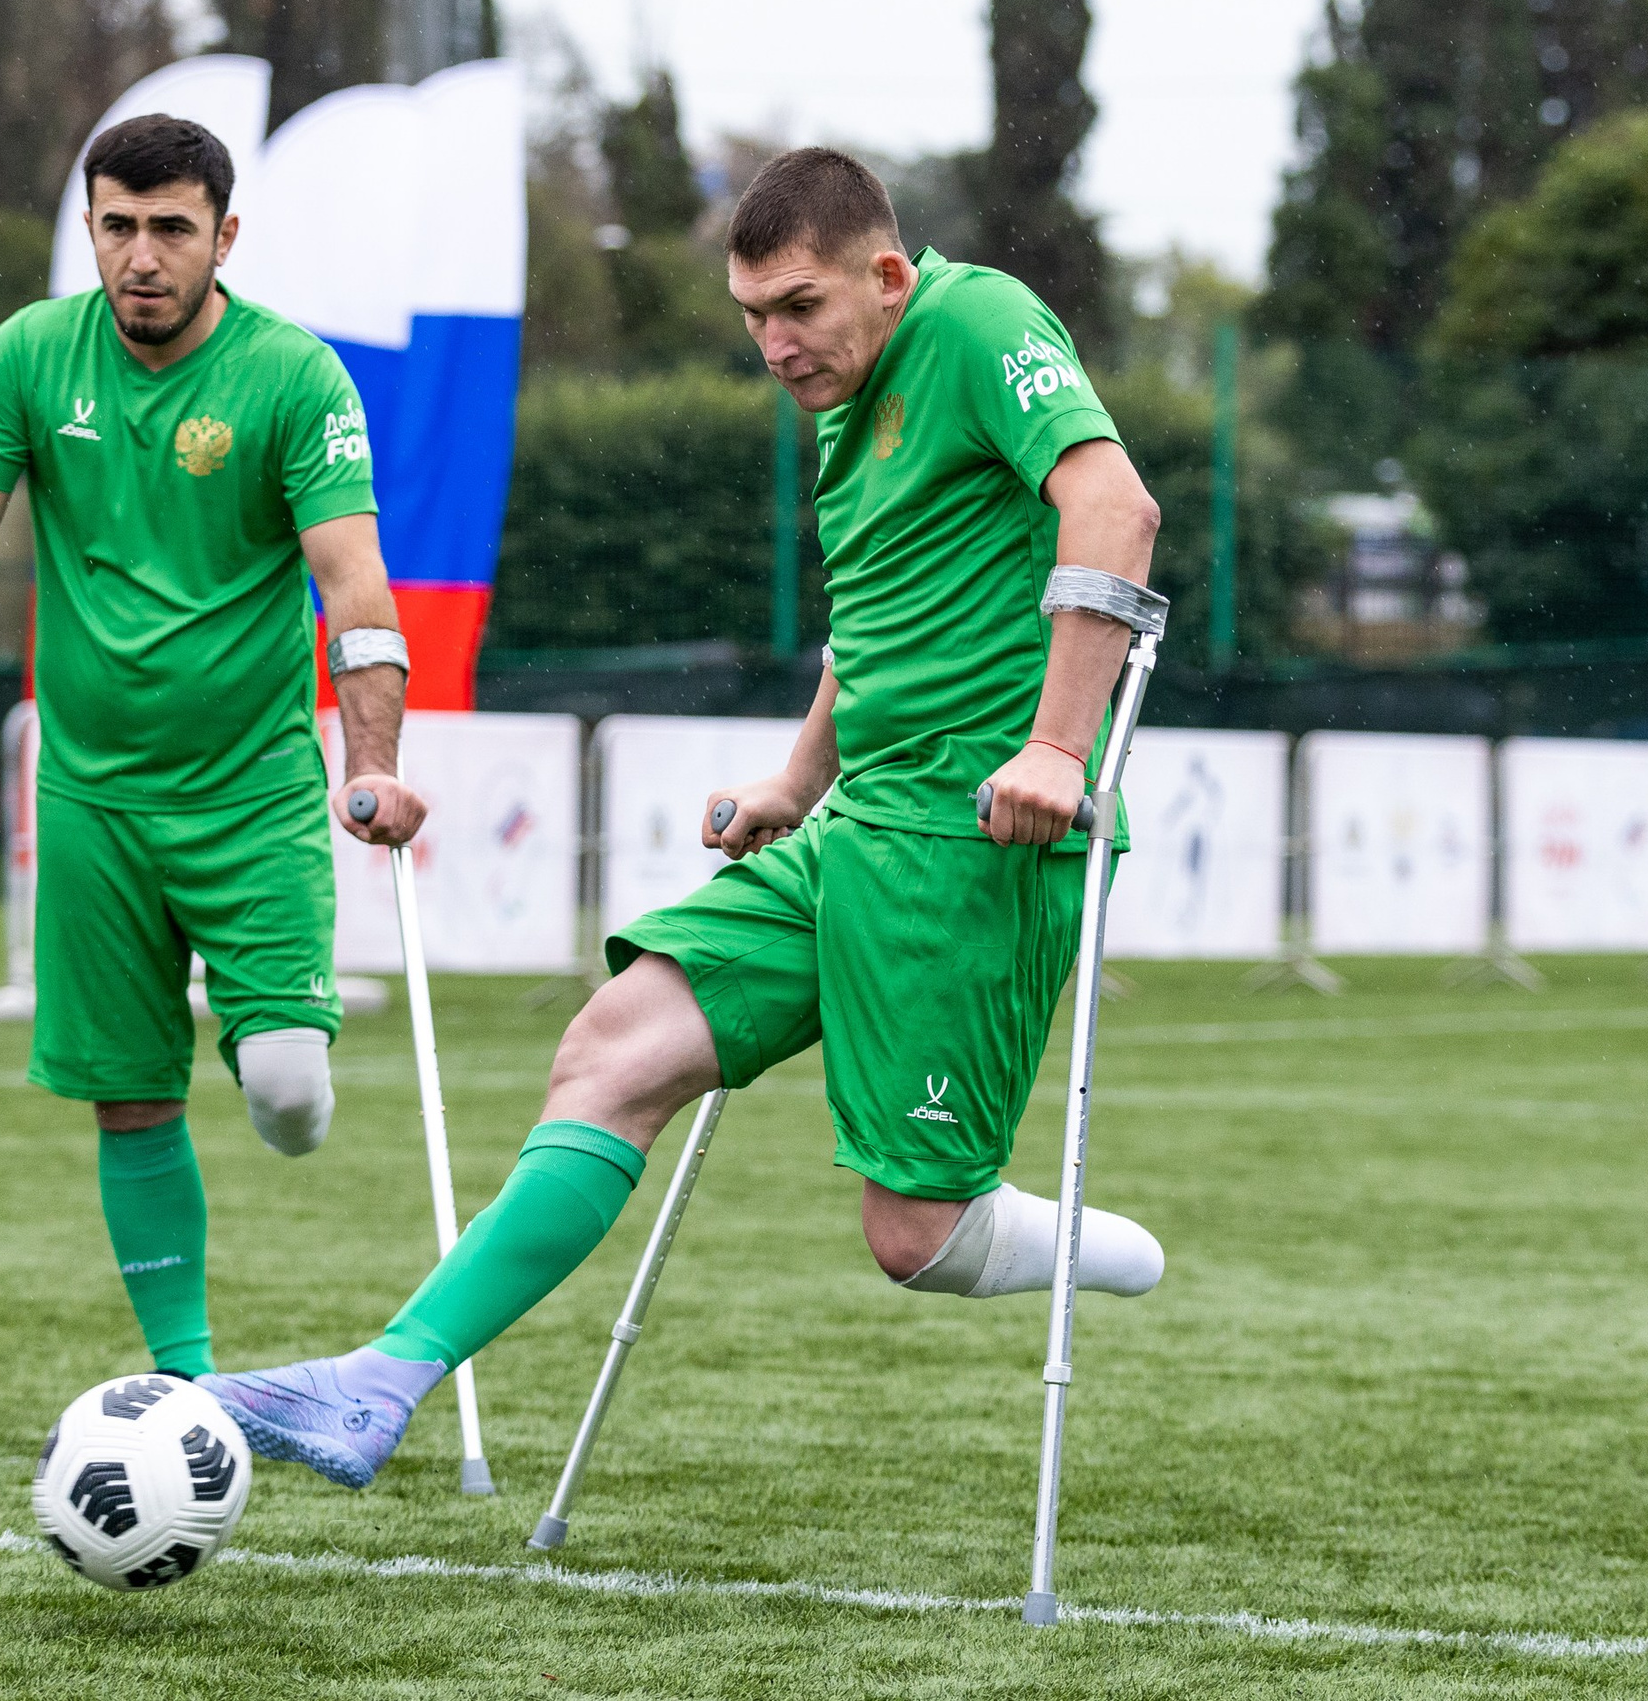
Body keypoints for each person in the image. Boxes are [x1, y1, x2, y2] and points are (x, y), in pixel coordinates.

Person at [204, 147, 1169, 1490]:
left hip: (978, 836)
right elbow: (876, 619)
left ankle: (1109, 1247)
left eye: (800, 307)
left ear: (886, 278)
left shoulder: (978, 323)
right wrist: (795, 781)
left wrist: (1059, 749)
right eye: (754, 317)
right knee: (608, 1050)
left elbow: (1115, 508)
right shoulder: (849, 400)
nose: (776, 345)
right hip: (859, 826)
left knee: (918, 1235)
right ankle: (380, 1382)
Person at [0, 114, 428, 1382]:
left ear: (224, 237)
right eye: (118, 226)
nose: (142, 256)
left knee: (283, 1091)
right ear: (91, 229)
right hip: (92, 801)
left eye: (172, 228)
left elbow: (358, 588)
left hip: (255, 794)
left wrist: (372, 764)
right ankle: (187, 1383)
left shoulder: (294, 377)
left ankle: (294, 1098)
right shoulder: (26, 358)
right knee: (131, 1095)